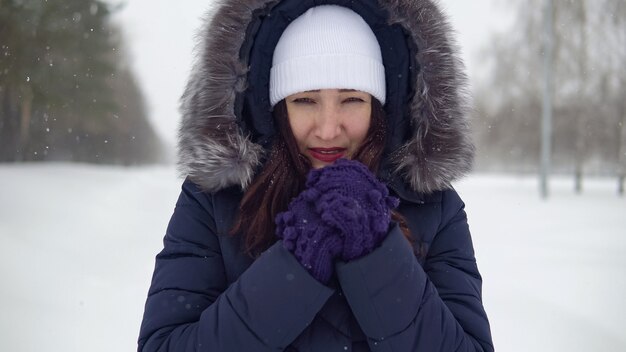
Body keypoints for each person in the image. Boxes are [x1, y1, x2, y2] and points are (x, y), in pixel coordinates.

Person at [138, 1, 493, 351]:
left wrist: (377, 252)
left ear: (380, 106)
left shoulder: (434, 207)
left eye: (352, 99)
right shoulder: (213, 200)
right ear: (276, 108)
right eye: (305, 101)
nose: (327, 129)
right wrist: (297, 263)